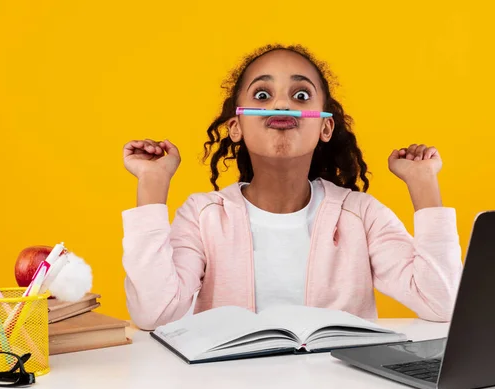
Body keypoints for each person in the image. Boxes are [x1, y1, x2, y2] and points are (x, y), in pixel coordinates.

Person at [121, 44, 462, 330]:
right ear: (236, 127)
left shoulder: (362, 215)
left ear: (325, 128)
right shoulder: (203, 216)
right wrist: (153, 184)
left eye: (300, 95)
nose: (281, 105)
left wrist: (423, 184)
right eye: (263, 94)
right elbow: (155, 313)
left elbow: (442, 303)